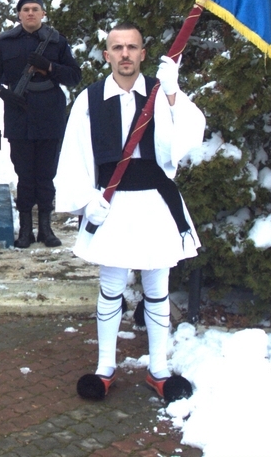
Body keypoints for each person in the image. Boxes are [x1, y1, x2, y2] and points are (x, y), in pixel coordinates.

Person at [54, 21, 205, 404]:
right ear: (107, 55)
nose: (125, 54)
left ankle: (159, 369)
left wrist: (172, 93)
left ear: (142, 53)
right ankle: (105, 367)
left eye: (132, 47)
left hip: (155, 202)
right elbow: (73, 153)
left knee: (157, 289)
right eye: (118, 47)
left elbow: (188, 137)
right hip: (112, 204)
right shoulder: (89, 99)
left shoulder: (160, 91)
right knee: (111, 287)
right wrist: (87, 199)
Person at [0, 0, 82, 248]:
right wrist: (1, 93)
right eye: (26, 9)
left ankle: (46, 229)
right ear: (19, 14)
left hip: (50, 114)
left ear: (43, 13)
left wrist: (50, 67)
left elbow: (74, 76)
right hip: (19, 115)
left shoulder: (56, 41)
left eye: (35, 9)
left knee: (46, 175)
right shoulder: (6, 42)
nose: (31, 13)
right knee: (24, 174)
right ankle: (25, 230)